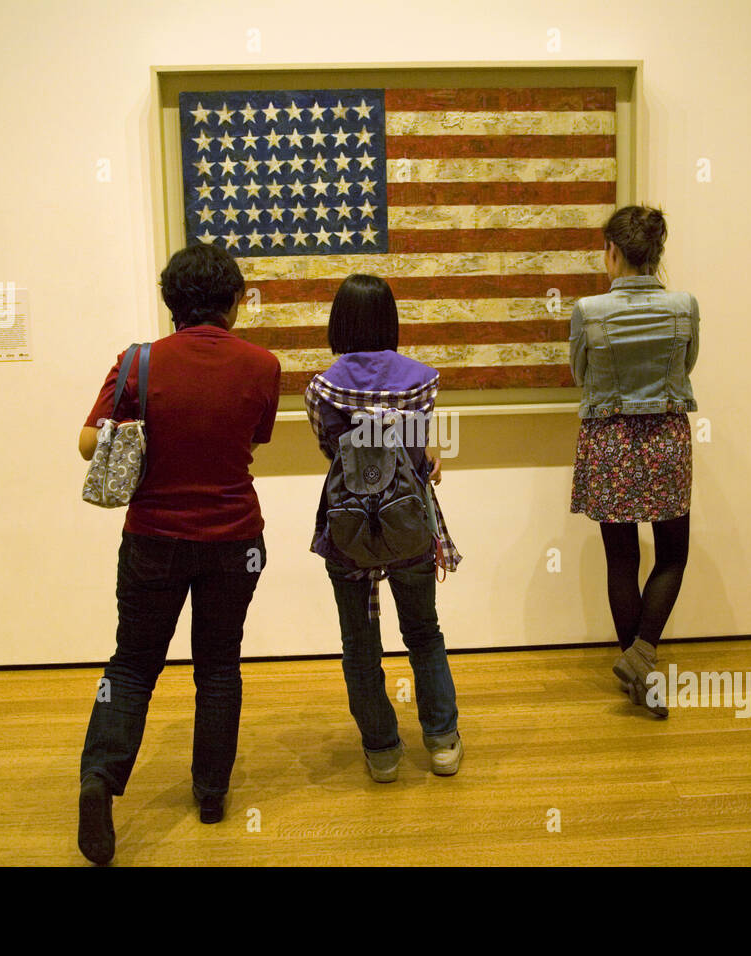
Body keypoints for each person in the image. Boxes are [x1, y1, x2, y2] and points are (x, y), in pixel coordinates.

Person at [75, 241, 280, 864]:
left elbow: (88, 445)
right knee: (218, 666)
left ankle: (99, 781)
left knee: (131, 666)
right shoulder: (262, 366)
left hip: (153, 539)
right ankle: (212, 794)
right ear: (235, 302)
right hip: (234, 539)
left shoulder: (137, 362)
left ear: (171, 302)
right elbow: (256, 437)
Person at [305, 274, 463, 782]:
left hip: (348, 531)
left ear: (340, 322)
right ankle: (440, 742)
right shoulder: (423, 380)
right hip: (408, 522)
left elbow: (332, 453)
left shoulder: (322, 388)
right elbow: (414, 452)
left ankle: (382, 751)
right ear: (389, 319)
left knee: (359, 642)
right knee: (423, 632)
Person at [568, 206, 699, 718]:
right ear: (657, 255)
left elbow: (582, 374)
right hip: (666, 437)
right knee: (673, 554)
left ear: (614, 252)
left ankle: (638, 665)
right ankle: (644, 660)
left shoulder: (588, 311)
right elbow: (686, 366)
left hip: (609, 440)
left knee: (621, 558)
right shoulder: (684, 307)